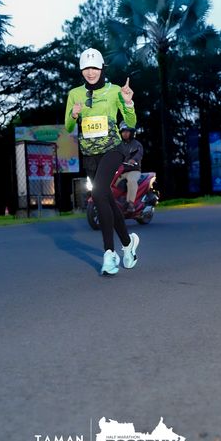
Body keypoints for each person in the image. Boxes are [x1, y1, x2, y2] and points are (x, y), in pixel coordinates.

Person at [65, 48, 140, 276]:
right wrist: (74, 115)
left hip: (112, 149)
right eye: (86, 69)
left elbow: (131, 122)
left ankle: (109, 253)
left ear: (101, 69)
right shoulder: (75, 94)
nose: (90, 72)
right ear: (81, 70)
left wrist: (128, 103)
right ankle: (128, 244)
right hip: (90, 153)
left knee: (97, 193)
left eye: (94, 68)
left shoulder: (115, 90)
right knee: (105, 198)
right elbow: (68, 127)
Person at [116, 122, 144, 213]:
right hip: (121, 171)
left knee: (131, 181)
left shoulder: (137, 144)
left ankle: (131, 204)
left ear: (131, 132)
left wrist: (133, 160)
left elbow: (139, 154)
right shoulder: (118, 145)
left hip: (133, 170)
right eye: (123, 131)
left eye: (127, 131)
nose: (125, 133)